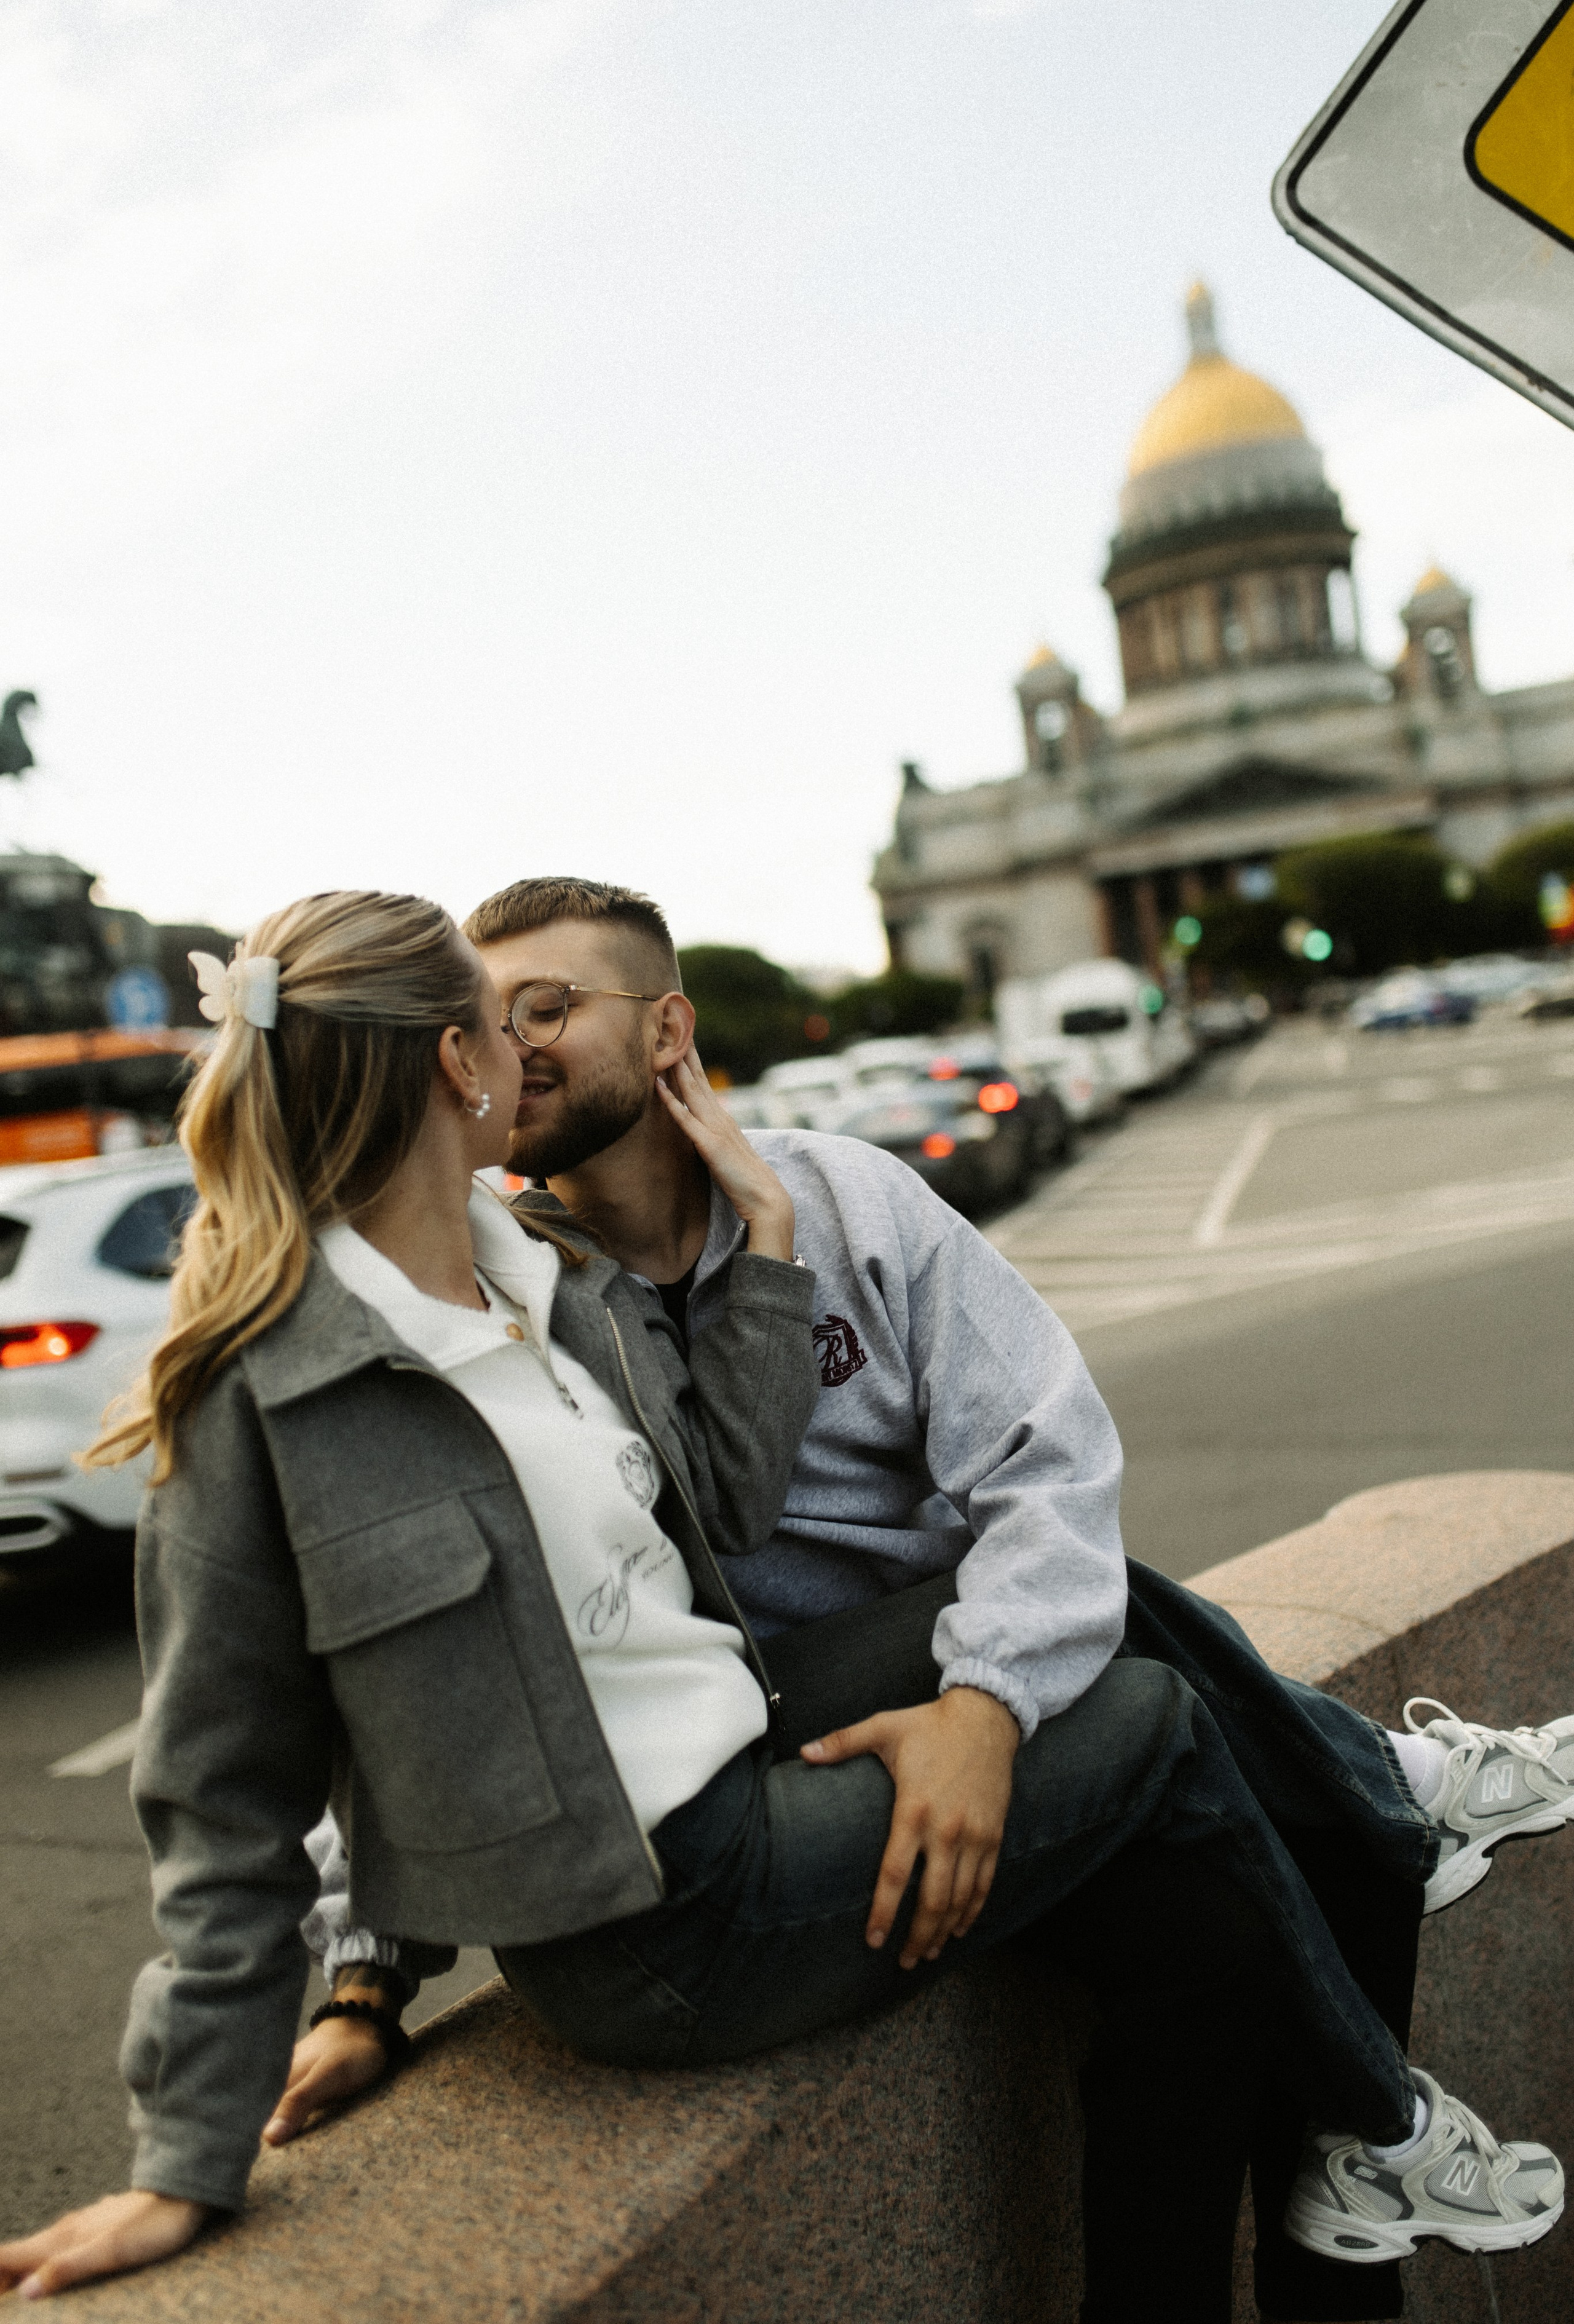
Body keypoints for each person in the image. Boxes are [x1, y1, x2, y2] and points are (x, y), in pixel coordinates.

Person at [0, 893, 1557, 2322]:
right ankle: (1379, 2094)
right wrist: (262, 2078)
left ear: (665, 1030)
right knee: (1156, 1732)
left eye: (555, 1007)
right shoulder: (276, 1396)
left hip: (749, 1742)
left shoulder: (545, 1285)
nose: (526, 1045)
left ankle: (1367, 1896)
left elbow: (741, 1506)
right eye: (504, 1014)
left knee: (1154, 1760)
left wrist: (772, 1242)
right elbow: (260, 1776)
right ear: (452, 1064)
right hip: (659, 1902)